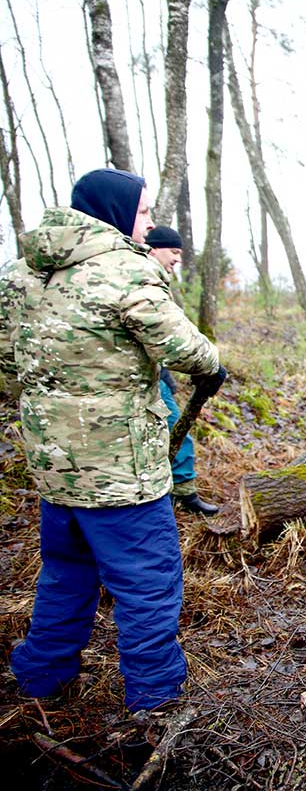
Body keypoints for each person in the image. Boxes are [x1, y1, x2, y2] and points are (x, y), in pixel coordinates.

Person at [0, 168, 227, 712]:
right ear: (113, 210)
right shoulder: (125, 269)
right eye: (143, 211)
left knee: (65, 573)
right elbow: (184, 350)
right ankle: (155, 695)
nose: (148, 224)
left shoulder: (19, 274)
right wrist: (213, 363)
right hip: (122, 472)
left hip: (55, 467)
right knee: (148, 582)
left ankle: (41, 675)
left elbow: (8, 369)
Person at [145, 225, 219, 515]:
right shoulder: (143, 280)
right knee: (175, 426)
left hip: (154, 377)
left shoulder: (154, 280)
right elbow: (172, 341)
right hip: (146, 384)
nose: (177, 258)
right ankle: (182, 493)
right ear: (154, 248)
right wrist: (209, 365)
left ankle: (175, 491)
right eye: (173, 251)